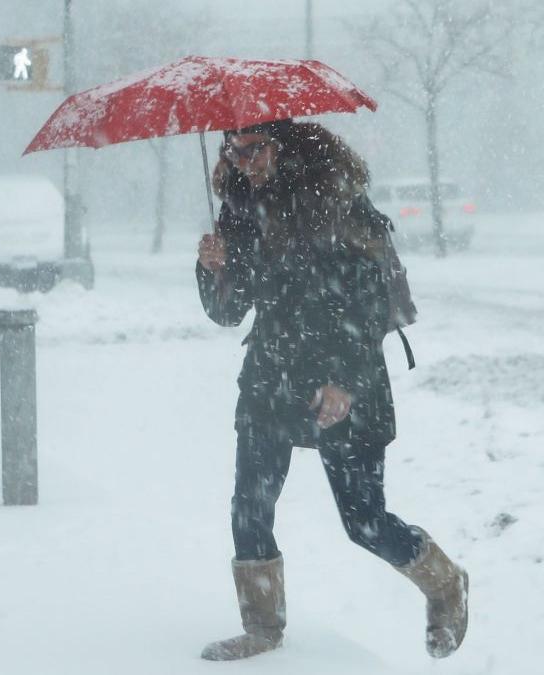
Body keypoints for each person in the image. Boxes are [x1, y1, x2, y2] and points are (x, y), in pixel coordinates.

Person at [195, 119, 468, 660]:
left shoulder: (334, 197)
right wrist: (213, 269)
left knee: (363, 521)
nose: (244, 161)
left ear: (283, 145)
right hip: (271, 374)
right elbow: (229, 310)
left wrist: (343, 380)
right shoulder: (240, 208)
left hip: (343, 373)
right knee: (250, 504)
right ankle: (262, 628)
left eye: (254, 149)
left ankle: (445, 583)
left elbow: (369, 301)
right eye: (234, 151)